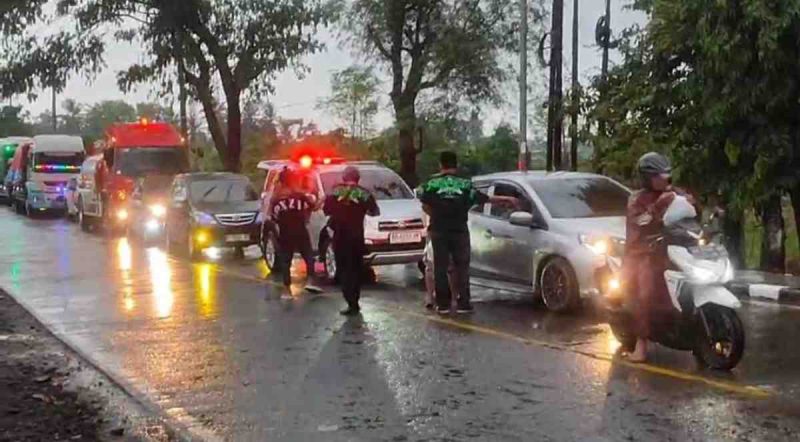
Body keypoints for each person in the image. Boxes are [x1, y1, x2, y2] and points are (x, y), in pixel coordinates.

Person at [417, 151, 518, 314]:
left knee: (440, 267)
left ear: (440, 165)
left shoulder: (430, 184)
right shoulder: (465, 185)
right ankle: (463, 302)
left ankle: (443, 305)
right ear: (456, 165)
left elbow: (423, 203)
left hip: (439, 230)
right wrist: (506, 199)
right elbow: (483, 199)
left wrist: (436, 214)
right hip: (459, 230)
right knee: (462, 266)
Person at [622, 152, 690, 362]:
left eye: (667, 175)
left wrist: (694, 204)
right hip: (642, 253)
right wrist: (660, 205)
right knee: (645, 294)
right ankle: (641, 346)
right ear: (648, 178)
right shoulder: (636, 199)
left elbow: (691, 209)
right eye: (660, 176)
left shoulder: (673, 192)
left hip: (670, 249)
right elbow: (641, 222)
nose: (666, 179)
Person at [323, 166, 380, 315]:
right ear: (358, 178)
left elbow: (326, 210)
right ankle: (355, 301)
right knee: (355, 269)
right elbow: (374, 212)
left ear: (344, 177)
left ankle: (350, 302)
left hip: (340, 237)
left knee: (343, 270)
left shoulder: (335, 191)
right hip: (357, 237)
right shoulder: (364, 193)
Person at [269, 167, 318, 298]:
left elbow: (272, 217)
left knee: (286, 260)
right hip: (300, 229)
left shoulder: (276, 199)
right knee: (308, 255)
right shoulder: (300, 195)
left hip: (285, 231)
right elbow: (313, 206)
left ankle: (286, 290)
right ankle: (311, 280)